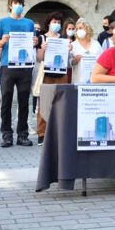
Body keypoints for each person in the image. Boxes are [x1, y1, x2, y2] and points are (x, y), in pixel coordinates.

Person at [0, 0, 39, 147]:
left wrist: (35, 41)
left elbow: (33, 42)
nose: (18, 5)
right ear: (10, 5)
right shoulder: (2, 22)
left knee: (24, 101)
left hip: (25, 65)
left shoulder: (29, 23)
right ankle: (6, 134)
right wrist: (3, 41)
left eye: (21, 3)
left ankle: (22, 134)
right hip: (7, 65)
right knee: (6, 100)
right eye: (15, 3)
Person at [35, 12, 71, 146]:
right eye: (54, 22)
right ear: (49, 23)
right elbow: (38, 58)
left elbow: (66, 59)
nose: (56, 24)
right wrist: (42, 49)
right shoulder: (41, 38)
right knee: (43, 104)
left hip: (61, 74)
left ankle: (59, 132)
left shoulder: (63, 38)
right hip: (46, 75)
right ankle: (41, 133)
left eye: (58, 22)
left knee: (60, 104)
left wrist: (69, 50)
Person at [70, 17, 103, 83]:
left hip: (94, 81)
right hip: (78, 80)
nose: (79, 30)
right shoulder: (73, 45)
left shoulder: (96, 44)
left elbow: (102, 59)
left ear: (87, 29)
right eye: (77, 29)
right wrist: (74, 61)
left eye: (81, 28)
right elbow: (68, 63)